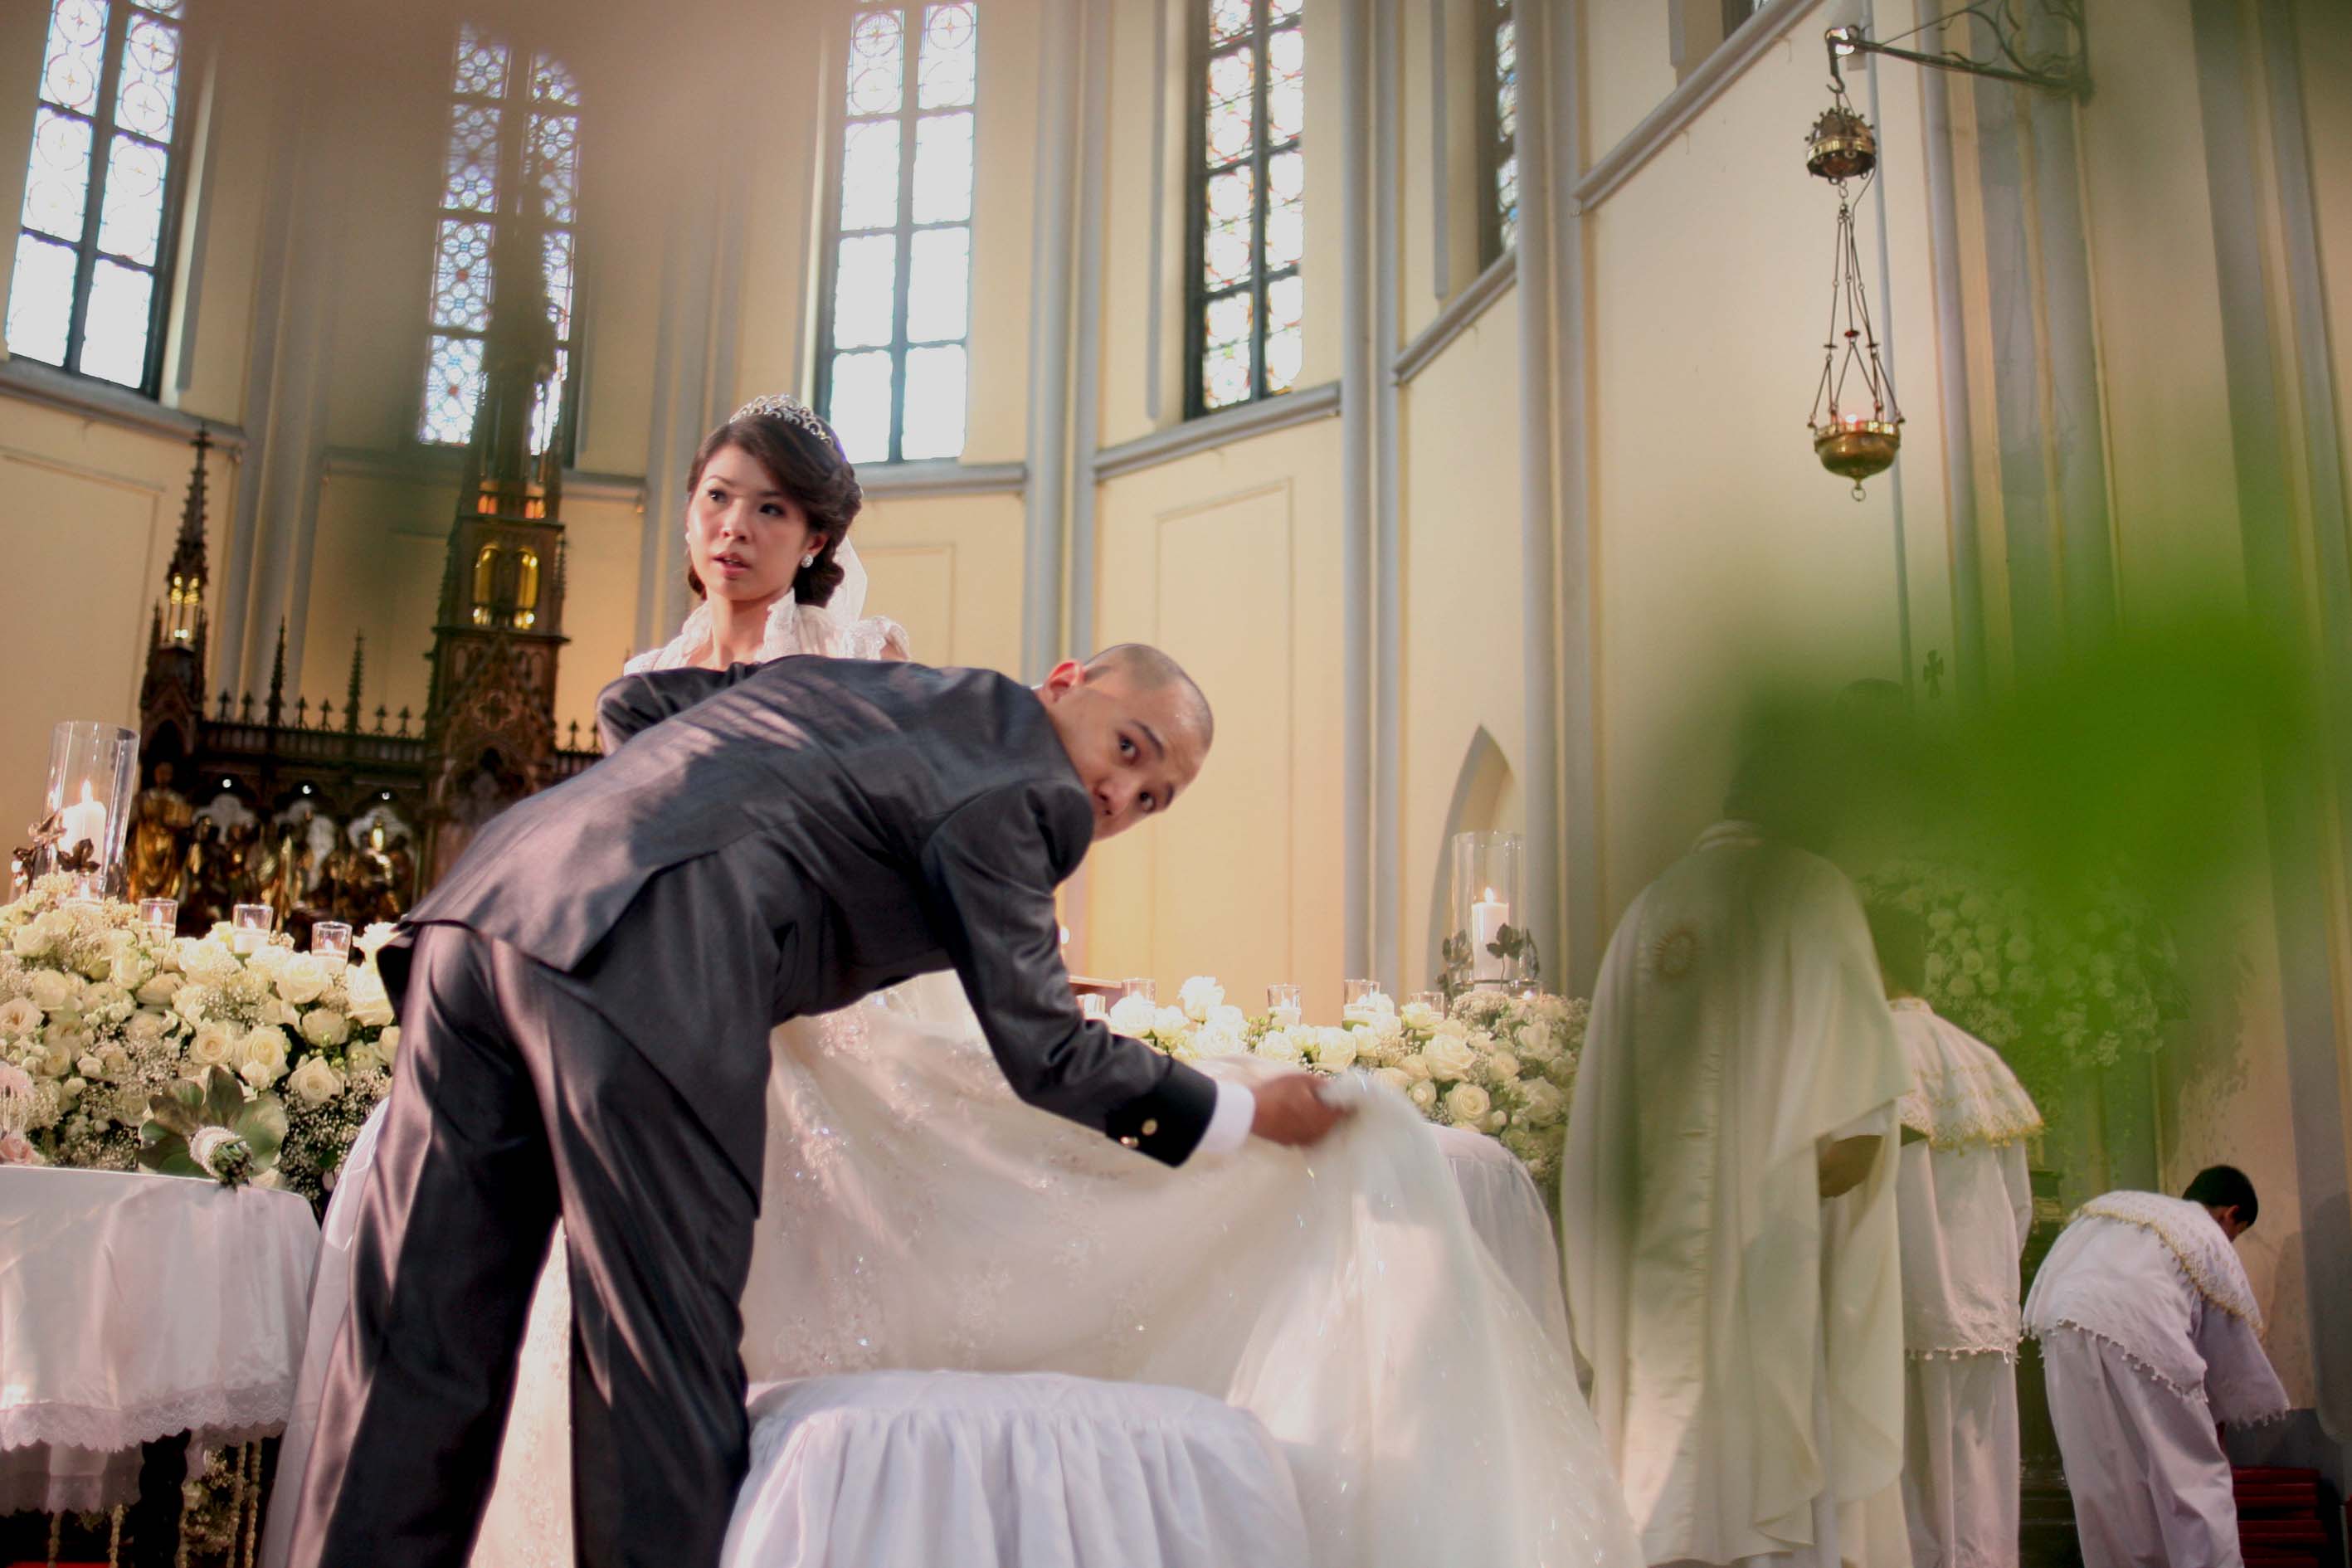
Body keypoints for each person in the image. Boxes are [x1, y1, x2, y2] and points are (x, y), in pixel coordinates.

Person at [282, 395, 1349, 1568]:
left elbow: (652, 703)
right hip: (640, 963)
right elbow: (1044, 1052)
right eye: (1129, 748)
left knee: (417, 1336)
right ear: (1064, 682)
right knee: (656, 1359)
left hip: (480, 916)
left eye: (1153, 797)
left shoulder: (881, 691)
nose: (1119, 796)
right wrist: (1243, 1113)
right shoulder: (1022, 786)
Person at [1562, 744, 1915, 1566]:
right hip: (1769, 1251)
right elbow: (1857, 1134)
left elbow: (1600, 1116)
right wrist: (1786, 1191)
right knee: (1770, 1451)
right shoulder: (1811, 889)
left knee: (1661, 1455)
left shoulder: (1648, 908)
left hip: (1649, 1260)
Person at [1867, 903, 2040, 1568]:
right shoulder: (1979, 1057)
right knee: (1977, 1490)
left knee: (1902, 1498)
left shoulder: (1864, 1047)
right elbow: (2018, 1204)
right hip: (1980, 1306)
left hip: (1898, 1301)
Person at [2023, 1164, 2288, 1568]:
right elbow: (2230, 1343)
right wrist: (2228, 1406)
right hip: (2141, 1331)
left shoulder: (2117, 1207)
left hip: (2063, 1328)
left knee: (2106, 1478)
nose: (2231, 1241)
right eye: (2237, 1233)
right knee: (2193, 1474)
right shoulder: (2204, 1231)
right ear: (2230, 1214)